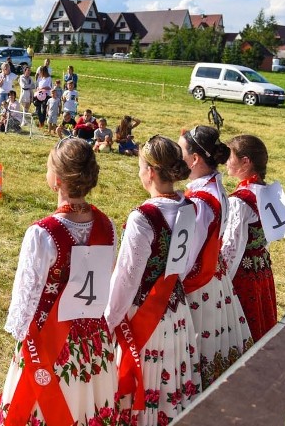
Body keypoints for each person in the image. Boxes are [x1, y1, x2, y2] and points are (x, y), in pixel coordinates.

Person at [0, 137, 129, 426]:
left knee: (40, 403)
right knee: (85, 401)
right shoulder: (106, 226)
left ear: (57, 180)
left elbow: (25, 298)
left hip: (49, 340)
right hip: (91, 338)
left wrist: (23, 338)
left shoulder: (42, 234)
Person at [105, 135, 202, 425]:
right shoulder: (188, 205)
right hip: (175, 308)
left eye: (139, 167)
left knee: (147, 373)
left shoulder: (143, 217)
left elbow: (127, 277)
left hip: (145, 314)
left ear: (149, 172)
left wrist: (108, 321)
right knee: (169, 372)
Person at [178, 126, 253, 387]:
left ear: (195, 159)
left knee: (200, 341)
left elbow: (191, 253)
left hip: (201, 281)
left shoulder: (200, 200)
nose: (178, 157)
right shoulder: (214, 186)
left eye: (181, 152)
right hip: (215, 277)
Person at [222, 135, 278, 343]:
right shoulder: (269, 191)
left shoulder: (240, 200)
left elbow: (230, 248)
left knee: (243, 323)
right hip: (261, 268)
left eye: (230, 157)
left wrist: (221, 282)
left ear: (246, 162)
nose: (226, 162)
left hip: (242, 275)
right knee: (261, 318)